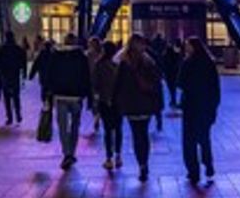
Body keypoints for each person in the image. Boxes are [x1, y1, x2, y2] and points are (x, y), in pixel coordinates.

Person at [113, 35, 163, 181]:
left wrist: (116, 103)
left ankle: (141, 164)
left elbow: (117, 85)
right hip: (146, 104)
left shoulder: (123, 63)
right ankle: (144, 162)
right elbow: (157, 83)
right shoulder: (149, 61)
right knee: (144, 134)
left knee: (136, 135)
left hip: (130, 105)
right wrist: (158, 104)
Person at [45, 34, 93, 171]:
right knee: (75, 125)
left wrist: (47, 93)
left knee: (62, 126)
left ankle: (66, 153)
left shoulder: (56, 55)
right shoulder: (81, 57)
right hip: (76, 96)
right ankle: (72, 151)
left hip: (60, 95)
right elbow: (86, 77)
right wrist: (88, 96)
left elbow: (49, 75)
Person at [178, 37, 220, 185]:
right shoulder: (209, 63)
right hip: (205, 107)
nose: (186, 48)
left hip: (191, 107)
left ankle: (193, 171)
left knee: (189, 141)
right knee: (204, 139)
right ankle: (208, 166)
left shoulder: (187, 63)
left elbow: (180, 83)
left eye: (188, 46)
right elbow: (215, 87)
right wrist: (214, 107)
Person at [91, 39, 120, 169]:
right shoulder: (118, 65)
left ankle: (108, 158)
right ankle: (118, 155)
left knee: (107, 130)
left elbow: (95, 84)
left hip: (104, 101)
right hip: (118, 101)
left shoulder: (99, 65)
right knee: (118, 129)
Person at [0, 32, 27, 125]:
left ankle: (9, 117)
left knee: (7, 97)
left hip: (5, 75)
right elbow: (24, 61)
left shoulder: (2, 49)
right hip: (15, 74)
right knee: (16, 96)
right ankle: (18, 115)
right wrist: (24, 74)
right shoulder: (18, 49)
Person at [161, 40, 183, 109]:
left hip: (168, 74)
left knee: (171, 88)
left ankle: (173, 100)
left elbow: (163, 65)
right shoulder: (176, 55)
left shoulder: (165, 55)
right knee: (173, 88)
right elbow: (178, 63)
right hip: (174, 73)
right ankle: (173, 100)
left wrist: (163, 73)